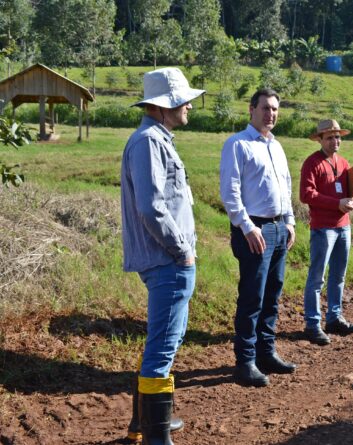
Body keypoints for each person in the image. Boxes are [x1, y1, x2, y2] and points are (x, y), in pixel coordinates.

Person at [120, 67, 204, 444]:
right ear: (162, 106)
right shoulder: (148, 142)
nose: (188, 105)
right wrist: (182, 250)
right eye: (181, 100)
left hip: (169, 259)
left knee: (167, 338)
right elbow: (152, 207)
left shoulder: (158, 138)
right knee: (163, 344)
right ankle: (156, 437)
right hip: (167, 260)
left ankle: (147, 422)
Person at [219, 89, 298, 387]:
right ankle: (246, 361)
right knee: (252, 296)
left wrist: (289, 222)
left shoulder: (277, 147)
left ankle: (266, 353)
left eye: (275, 109)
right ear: (251, 109)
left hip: (278, 229)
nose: (271, 114)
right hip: (254, 231)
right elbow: (230, 193)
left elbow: (286, 187)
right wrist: (247, 227)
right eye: (265, 108)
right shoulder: (237, 144)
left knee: (272, 295)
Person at [299, 119, 353, 346]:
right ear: (320, 140)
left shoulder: (343, 163)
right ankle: (312, 324)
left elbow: (349, 192)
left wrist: (351, 199)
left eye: (338, 137)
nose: (335, 141)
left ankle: (334, 318)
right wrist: (336, 203)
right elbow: (306, 195)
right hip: (323, 228)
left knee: (338, 275)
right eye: (330, 137)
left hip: (344, 226)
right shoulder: (312, 163)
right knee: (317, 278)